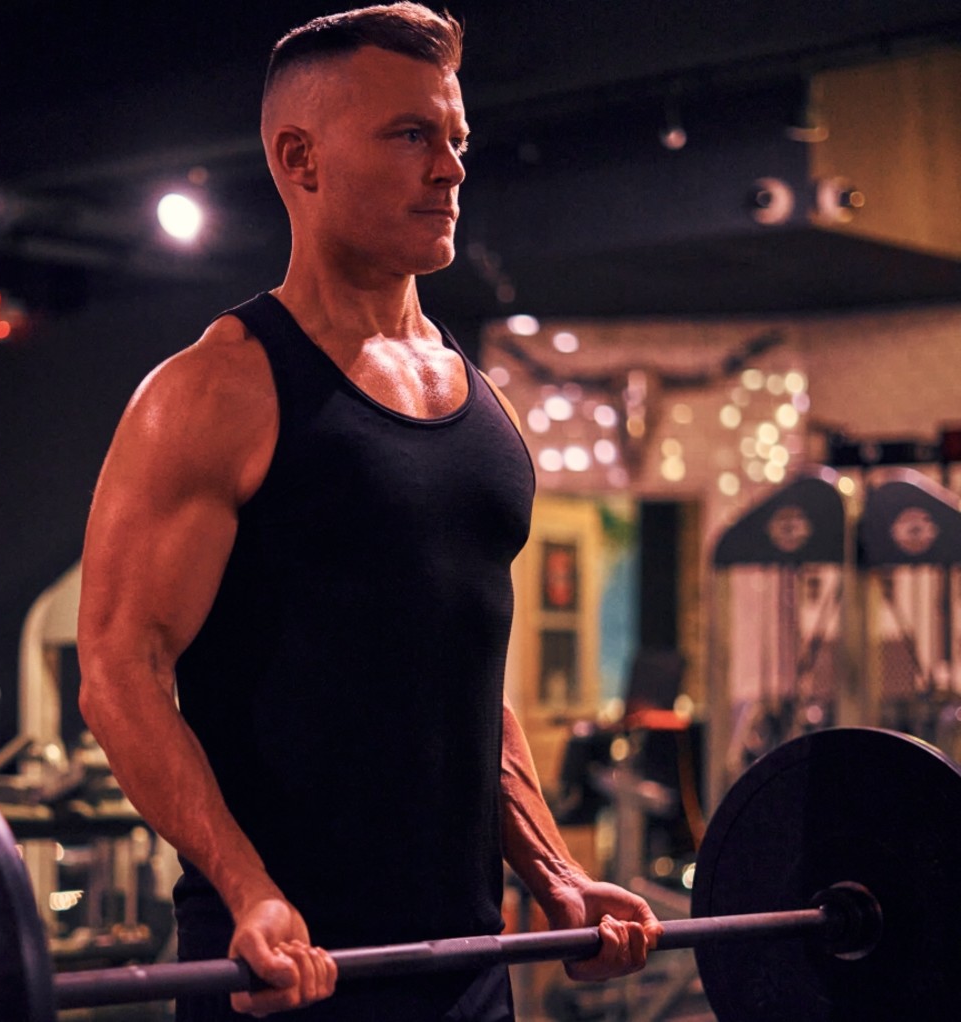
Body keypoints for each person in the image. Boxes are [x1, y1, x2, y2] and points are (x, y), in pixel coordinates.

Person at [77, 4, 662, 1019]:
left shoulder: (486, 412)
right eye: (412, 135)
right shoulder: (217, 392)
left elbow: (465, 682)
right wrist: (249, 890)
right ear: (299, 158)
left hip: (469, 975)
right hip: (285, 976)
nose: (452, 169)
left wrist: (555, 873)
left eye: (457, 139)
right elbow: (118, 669)